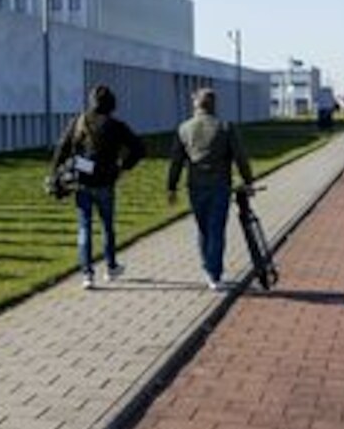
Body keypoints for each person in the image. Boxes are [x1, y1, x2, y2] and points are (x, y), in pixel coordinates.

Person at [49, 83, 146, 289]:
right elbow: (139, 148)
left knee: (84, 227)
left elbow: (62, 149)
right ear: (112, 103)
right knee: (107, 226)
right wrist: (124, 167)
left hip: (83, 182)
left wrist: (54, 173)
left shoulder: (79, 121)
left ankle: (87, 274)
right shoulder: (117, 126)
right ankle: (110, 267)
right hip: (106, 182)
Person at [167, 87, 256, 290]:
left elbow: (176, 161)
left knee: (203, 228)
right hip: (219, 185)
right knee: (216, 229)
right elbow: (240, 157)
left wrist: (171, 187)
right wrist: (248, 180)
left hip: (195, 185)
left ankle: (208, 267)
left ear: (196, 104)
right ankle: (214, 274)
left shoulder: (184, 128)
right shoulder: (225, 127)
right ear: (214, 105)